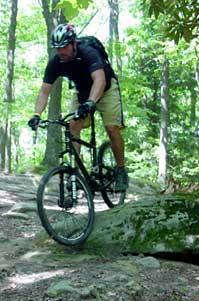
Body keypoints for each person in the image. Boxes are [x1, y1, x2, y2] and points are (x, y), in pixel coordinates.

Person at [28, 23, 128, 191]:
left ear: (74, 43)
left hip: (106, 89)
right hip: (82, 92)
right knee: (73, 126)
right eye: (57, 48)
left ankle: (120, 169)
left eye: (64, 47)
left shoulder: (88, 52)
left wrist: (90, 103)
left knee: (111, 128)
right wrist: (36, 114)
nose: (61, 51)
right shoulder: (56, 62)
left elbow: (100, 80)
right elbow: (44, 91)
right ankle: (75, 174)